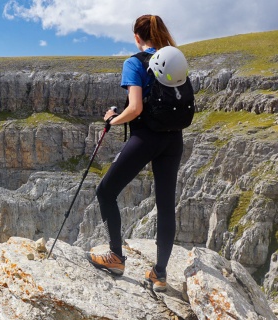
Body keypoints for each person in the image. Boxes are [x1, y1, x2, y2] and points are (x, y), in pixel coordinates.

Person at [85, 14, 183, 292]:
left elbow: (136, 108)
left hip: (146, 138)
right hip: (173, 140)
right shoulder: (174, 58)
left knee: (106, 191)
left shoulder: (134, 62)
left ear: (137, 37)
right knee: (166, 206)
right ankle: (160, 274)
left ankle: (115, 256)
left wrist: (111, 120)